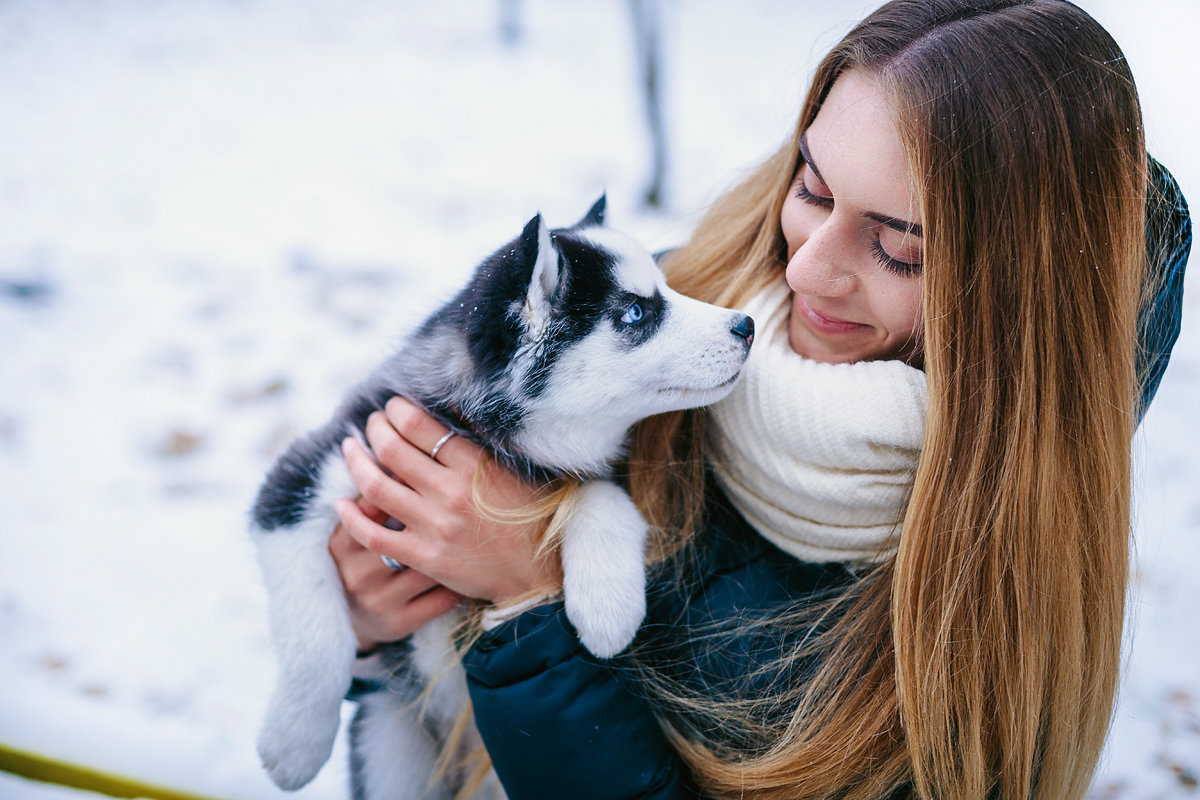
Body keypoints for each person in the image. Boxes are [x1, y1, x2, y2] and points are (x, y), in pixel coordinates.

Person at [327, 1, 1192, 798]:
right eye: (812, 189)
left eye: (900, 249)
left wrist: (528, 609)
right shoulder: (675, 305)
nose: (807, 268)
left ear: (1022, 301)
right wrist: (374, 618)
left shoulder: (998, 593)